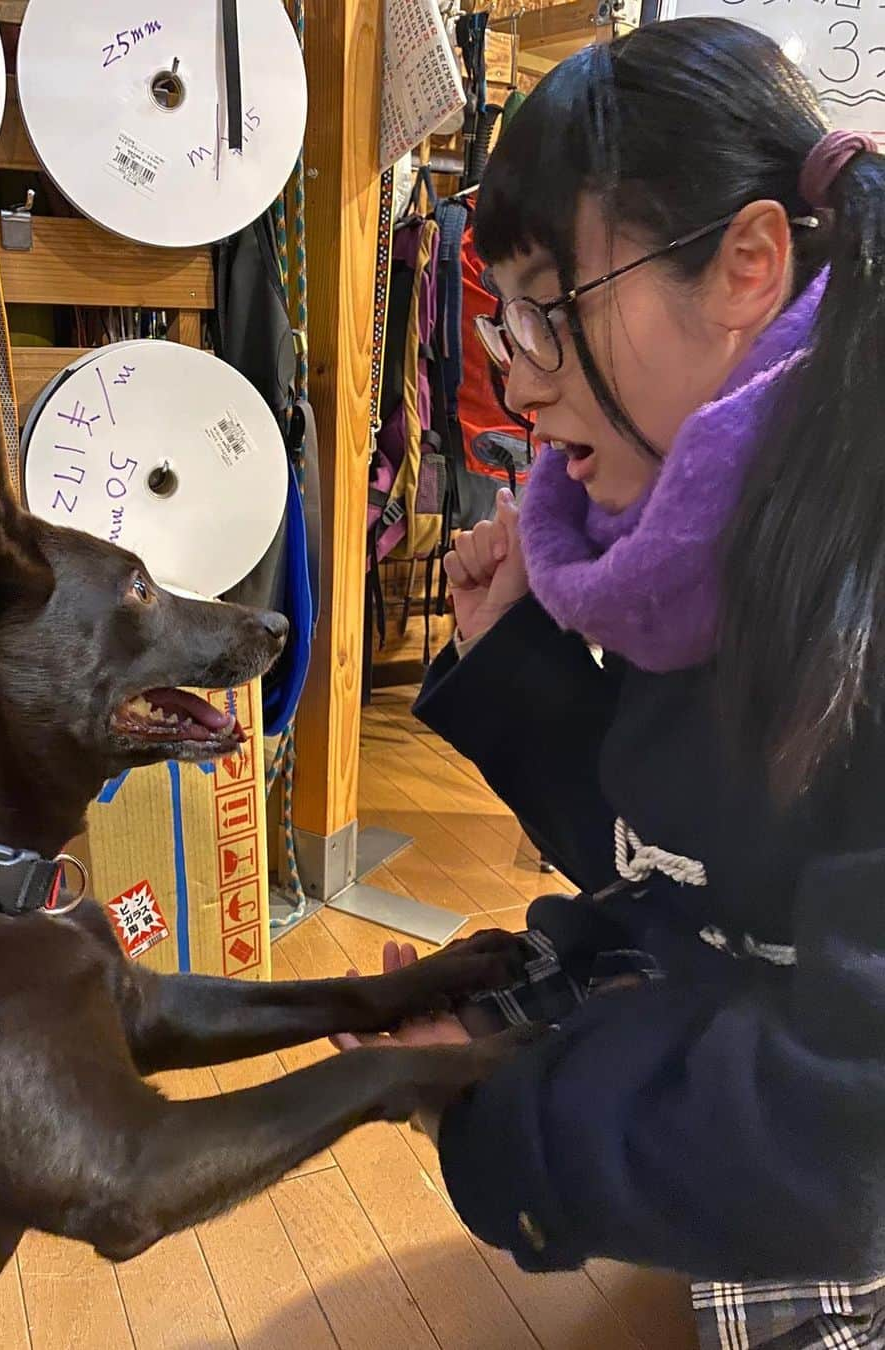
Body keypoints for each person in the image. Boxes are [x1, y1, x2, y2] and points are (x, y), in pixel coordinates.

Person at [334, 18, 885, 1349]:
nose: (516, 381)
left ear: (747, 266)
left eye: (548, 309)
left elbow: (846, 1135)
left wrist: (490, 1115)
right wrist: (521, 669)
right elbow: (711, 870)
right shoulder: (715, 529)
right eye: (501, 317)